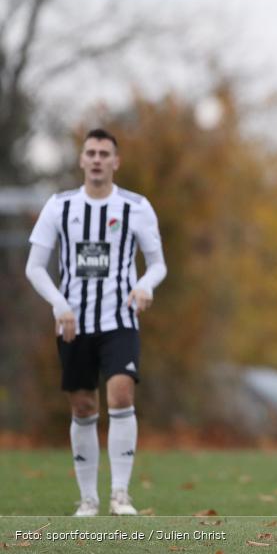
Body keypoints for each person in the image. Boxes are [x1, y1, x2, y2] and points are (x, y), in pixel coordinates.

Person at [25, 128, 167, 517]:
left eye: (105, 153)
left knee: (121, 395)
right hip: (74, 323)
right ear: (82, 160)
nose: (97, 159)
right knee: (84, 406)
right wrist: (59, 304)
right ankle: (88, 498)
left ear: (116, 162)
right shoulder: (60, 206)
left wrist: (144, 286)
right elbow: (35, 267)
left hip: (120, 319)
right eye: (91, 153)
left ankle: (120, 494)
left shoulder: (136, 207)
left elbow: (158, 264)